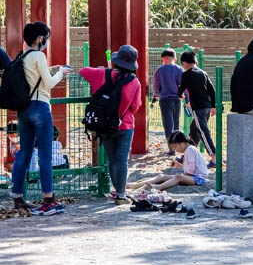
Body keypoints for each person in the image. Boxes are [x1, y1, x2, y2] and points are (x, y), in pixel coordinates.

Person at [10, 21, 71, 216]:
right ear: (40, 38)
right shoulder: (39, 55)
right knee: (45, 155)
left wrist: (52, 68)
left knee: (24, 154)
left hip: (24, 110)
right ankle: (48, 199)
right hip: (40, 107)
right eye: (45, 37)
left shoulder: (24, 56)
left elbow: (35, 77)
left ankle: (17, 197)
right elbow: (50, 83)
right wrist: (61, 72)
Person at [79, 45, 144, 205]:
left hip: (104, 125)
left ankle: (117, 190)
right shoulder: (135, 82)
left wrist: (100, 70)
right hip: (125, 124)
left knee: (112, 159)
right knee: (122, 159)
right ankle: (121, 194)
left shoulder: (102, 74)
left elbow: (82, 71)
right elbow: (135, 106)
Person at [128, 131, 208, 192]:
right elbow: (189, 169)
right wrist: (179, 166)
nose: (175, 149)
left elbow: (190, 172)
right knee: (162, 177)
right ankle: (136, 185)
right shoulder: (188, 150)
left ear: (181, 143)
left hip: (198, 179)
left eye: (175, 147)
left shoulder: (190, 150)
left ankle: (158, 187)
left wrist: (183, 176)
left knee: (178, 177)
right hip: (193, 177)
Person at [179, 52, 217, 164]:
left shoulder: (186, 75)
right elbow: (212, 90)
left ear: (184, 63)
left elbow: (181, 88)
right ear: (196, 62)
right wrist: (213, 106)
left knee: (203, 131)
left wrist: (179, 95)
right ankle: (188, 155)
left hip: (198, 108)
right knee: (194, 129)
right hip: (207, 106)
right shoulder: (203, 73)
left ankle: (214, 157)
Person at [152, 49, 184, 143]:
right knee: (176, 122)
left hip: (165, 99)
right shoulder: (179, 69)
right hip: (177, 99)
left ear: (163, 58)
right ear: (174, 58)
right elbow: (183, 84)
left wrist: (156, 94)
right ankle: (177, 144)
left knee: (168, 123)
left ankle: (171, 146)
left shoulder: (160, 70)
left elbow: (156, 84)